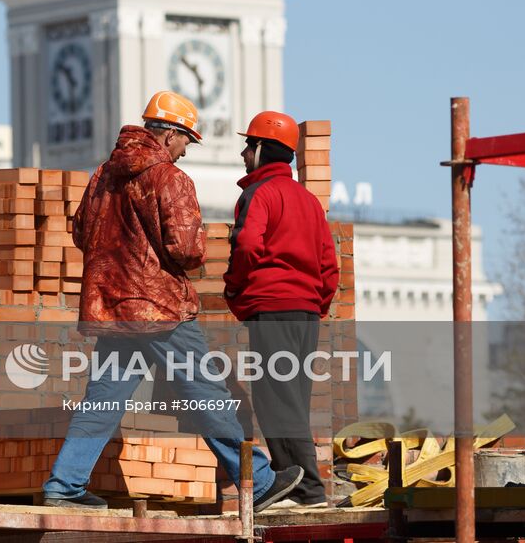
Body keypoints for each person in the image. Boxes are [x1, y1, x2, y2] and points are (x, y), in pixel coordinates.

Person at [42, 90, 304, 513]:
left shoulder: (103, 176)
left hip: (112, 306)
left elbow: (80, 232)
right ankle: (257, 481)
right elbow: (185, 249)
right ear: (169, 136)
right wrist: (200, 245)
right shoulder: (169, 178)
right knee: (206, 392)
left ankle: (65, 486)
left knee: (102, 400)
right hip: (160, 309)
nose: (185, 151)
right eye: (186, 141)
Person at [224, 111, 340, 508]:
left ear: (261, 149)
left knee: (277, 401)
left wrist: (236, 291)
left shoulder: (259, 194)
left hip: (272, 309)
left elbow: (246, 245)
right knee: (291, 400)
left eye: (247, 145)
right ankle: (299, 487)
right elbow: (329, 265)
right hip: (305, 313)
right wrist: (315, 304)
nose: (242, 153)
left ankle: (309, 492)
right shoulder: (308, 201)